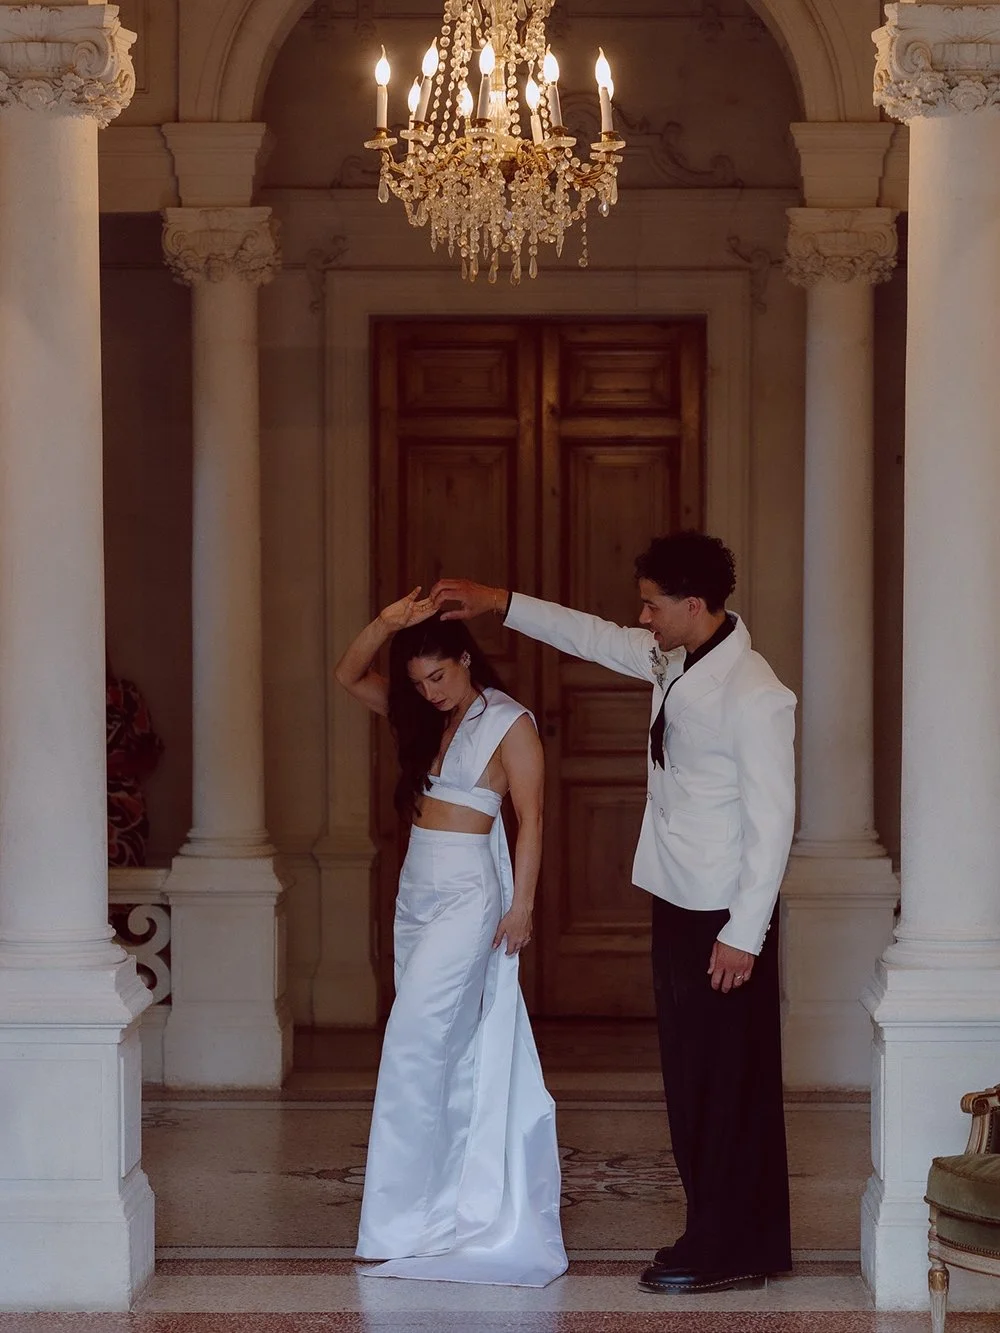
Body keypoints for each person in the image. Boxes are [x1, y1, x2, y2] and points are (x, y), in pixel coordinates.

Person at [433, 531, 796, 1295]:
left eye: (653, 605)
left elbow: (774, 822)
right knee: (695, 1076)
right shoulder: (675, 654)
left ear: (695, 604)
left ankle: (723, 1245)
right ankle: (744, 1237)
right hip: (679, 896)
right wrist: (499, 601)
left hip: (724, 915)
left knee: (721, 1083)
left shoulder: (754, 693)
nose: (643, 617)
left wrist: (744, 933)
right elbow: (590, 636)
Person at [334, 589, 567, 1288]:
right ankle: (433, 1208)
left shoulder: (509, 721)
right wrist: (388, 624)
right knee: (439, 1046)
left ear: (466, 659)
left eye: (439, 676)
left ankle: (407, 1221)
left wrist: (522, 905)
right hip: (418, 891)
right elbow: (347, 674)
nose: (430, 691)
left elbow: (532, 816)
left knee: (413, 1040)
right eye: (419, 682)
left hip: (470, 894)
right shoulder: (423, 715)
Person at [106, 659, 164, 867]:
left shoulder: (124, 694)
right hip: (68, 807)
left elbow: (150, 753)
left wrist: (111, 770)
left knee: (125, 878)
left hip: (122, 810)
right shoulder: (59, 696)